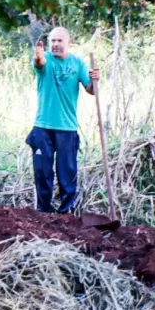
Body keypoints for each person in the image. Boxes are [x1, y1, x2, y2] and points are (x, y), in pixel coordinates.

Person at [26, 27, 100, 214]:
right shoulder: (46, 60)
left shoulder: (77, 63)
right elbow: (39, 62)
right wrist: (38, 56)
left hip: (67, 128)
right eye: (53, 41)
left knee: (67, 172)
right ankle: (43, 212)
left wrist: (95, 81)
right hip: (43, 127)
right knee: (43, 172)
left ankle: (66, 213)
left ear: (69, 42)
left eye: (60, 41)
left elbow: (90, 90)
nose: (56, 44)